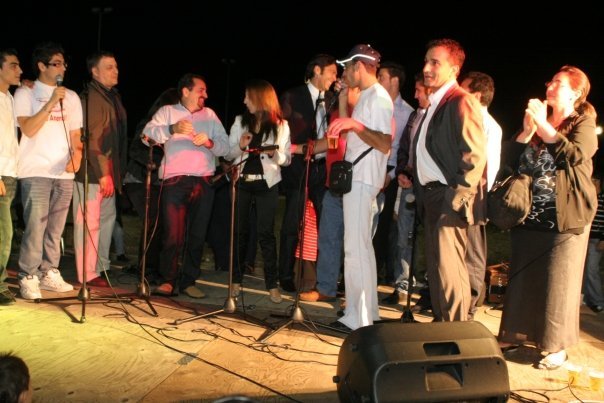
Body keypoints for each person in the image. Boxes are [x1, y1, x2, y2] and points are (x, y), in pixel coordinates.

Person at [497, 65, 598, 370]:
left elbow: (576, 156)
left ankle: (556, 346)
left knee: (558, 284)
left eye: (558, 83)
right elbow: (509, 161)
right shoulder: (539, 124)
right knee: (522, 279)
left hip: (565, 219)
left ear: (576, 92)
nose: (549, 86)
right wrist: (528, 130)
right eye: (550, 81)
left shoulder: (583, 122)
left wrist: (544, 127)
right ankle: (514, 334)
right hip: (529, 216)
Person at [413, 38, 486, 322]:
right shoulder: (436, 102)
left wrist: (455, 199)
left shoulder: (461, 100)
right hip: (432, 196)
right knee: (437, 270)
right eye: (426, 61)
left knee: (449, 270)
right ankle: (443, 328)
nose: (427, 68)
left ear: (454, 69)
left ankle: (456, 333)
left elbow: (474, 155)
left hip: (447, 197)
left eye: (435, 63)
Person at [143, 73, 229, 298]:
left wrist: (209, 142)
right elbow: (146, 136)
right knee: (173, 234)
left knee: (197, 234)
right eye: (201, 90)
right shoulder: (167, 112)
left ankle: (189, 280)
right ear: (185, 91)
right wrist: (171, 129)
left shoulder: (210, 115)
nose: (205, 95)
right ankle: (168, 280)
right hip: (174, 180)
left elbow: (226, 147)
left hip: (203, 180)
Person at [327, 44, 393, 331]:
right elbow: (348, 131)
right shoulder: (367, 95)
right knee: (361, 248)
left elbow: (385, 143)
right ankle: (367, 313)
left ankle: (358, 318)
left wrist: (354, 124)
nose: (344, 73)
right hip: (359, 177)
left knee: (355, 250)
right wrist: (344, 102)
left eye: (346, 67)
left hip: (363, 178)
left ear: (359, 67)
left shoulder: (379, 97)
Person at [14, 42, 83, 300]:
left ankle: (49, 271)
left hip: (63, 173)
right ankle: (28, 276)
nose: (62, 68)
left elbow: (76, 135)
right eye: (56, 63)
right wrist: (52, 101)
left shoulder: (72, 97)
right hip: (35, 170)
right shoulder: (25, 93)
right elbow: (28, 129)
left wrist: (78, 156)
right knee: (35, 226)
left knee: (56, 228)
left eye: (64, 63)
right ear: (42, 66)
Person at [226, 79, 291, 303]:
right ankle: (235, 281)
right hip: (243, 183)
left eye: (248, 96)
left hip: (267, 185)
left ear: (260, 98)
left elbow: (287, 159)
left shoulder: (281, 125)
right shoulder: (240, 121)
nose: (245, 100)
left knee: (266, 234)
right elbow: (228, 154)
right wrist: (240, 146)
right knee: (239, 233)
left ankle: (272, 285)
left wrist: (275, 154)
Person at [278, 54, 338, 292]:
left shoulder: (333, 99)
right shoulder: (292, 96)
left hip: (323, 168)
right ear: (317, 70)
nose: (335, 78)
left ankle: (325, 277)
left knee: (328, 223)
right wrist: (294, 149)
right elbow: (280, 131)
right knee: (292, 222)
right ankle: (285, 275)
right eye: (332, 72)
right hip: (299, 166)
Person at [299, 84, 362, 303]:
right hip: (333, 184)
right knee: (328, 239)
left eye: (347, 86)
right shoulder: (335, 114)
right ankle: (326, 288)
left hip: (356, 185)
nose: (340, 87)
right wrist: (302, 148)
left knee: (355, 244)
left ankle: (355, 295)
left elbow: (346, 138)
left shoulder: (364, 112)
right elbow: (332, 142)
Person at [73, 51, 128, 287]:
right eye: (109, 67)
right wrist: (104, 173)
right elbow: (93, 139)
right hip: (92, 173)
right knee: (89, 223)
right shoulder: (92, 98)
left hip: (108, 174)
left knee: (106, 220)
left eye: (116, 66)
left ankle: (101, 266)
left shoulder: (111, 96)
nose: (115, 71)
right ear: (94, 72)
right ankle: (87, 273)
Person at [382, 73, 431, 305]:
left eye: (419, 90)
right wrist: (402, 171)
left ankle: (428, 286)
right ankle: (403, 283)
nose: (415, 94)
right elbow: (404, 147)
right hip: (409, 184)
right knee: (404, 234)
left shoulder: (438, 116)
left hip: (429, 186)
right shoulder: (415, 115)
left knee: (428, 237)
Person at [124, 88, 179, 283]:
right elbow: (135, 149)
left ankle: (154, 267)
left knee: (160, 224)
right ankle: (146, 269)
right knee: (153, 222)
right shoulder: (150, 123)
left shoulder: (177, 127)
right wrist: (155, 163)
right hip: (139, 180)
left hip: (159, 182)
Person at [460, 71, 502, 320]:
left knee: (472, 252)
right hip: (461, 192)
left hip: (476, 195)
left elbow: (490, 169)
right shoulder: (465, 119)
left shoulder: (489, 126)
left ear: (476, 95)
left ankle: (471, 305)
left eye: (464, 89)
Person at [373, 62, 414, 284]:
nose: (378, 80)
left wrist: (390, 175)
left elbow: (401, 148)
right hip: (369, 168)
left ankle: (380, 272)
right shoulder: (371, 104)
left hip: (390, 172)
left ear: (395, 81)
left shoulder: (407, 112)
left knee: (385, 225)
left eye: (382, 76)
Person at [0, 49, 22, 305]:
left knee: (5, 233)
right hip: (1, 174)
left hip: (10, 173)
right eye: (14, 66)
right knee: (4, 233)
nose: (20, 70)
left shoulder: (9, 98)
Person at [583, 175, 604, 313]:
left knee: (592, 269)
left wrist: (603, 239)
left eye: (594, 181)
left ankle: (598, 301)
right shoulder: (588, 198)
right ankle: (587, 298)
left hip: (596, 239)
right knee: (583, 269)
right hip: (584, 238)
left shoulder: (602, 199)